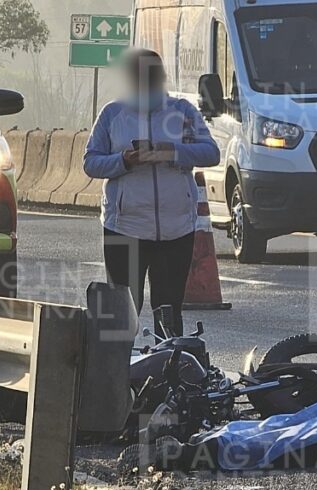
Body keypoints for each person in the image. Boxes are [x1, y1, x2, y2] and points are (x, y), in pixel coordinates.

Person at [84, 49, 221, 337]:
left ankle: (169, 375)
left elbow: (211, 153)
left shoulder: (183, 111)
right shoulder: (112, 113)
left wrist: (171, 152)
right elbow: (91, 162)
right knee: (123, 312)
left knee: (169, 311)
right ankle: (117, 375)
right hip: (125, 227)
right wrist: (124, 160)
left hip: (176, 229)